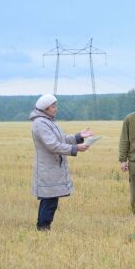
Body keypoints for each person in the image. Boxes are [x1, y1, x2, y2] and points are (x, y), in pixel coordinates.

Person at [30, 94, 93, 231]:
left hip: (53, 167)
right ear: (45, 108)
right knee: (48, 200)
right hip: (48, 168)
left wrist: (78, 137)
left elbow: (62, 139)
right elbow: (53, 145)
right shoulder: (40, 123)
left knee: (51, 200)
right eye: (53, 106)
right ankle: (43, 228)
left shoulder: (48, 121)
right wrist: (76, 148)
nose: (56, 108)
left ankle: (44, 227)